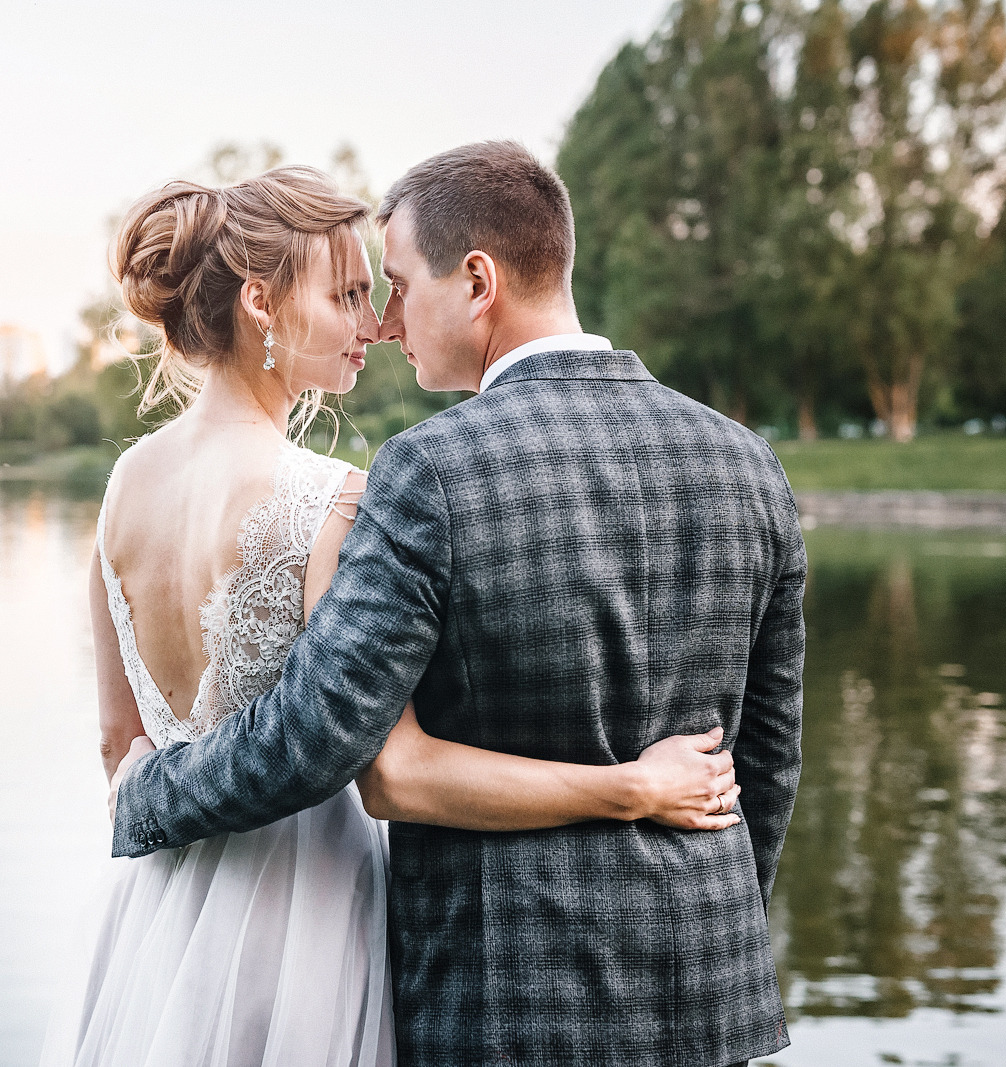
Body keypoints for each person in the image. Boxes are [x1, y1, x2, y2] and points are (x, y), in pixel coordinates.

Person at [109, 143, 806, 1067]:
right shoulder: (751, 463)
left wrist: (146, 796)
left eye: (394, 285)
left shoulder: (429, 471)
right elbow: (768, 754)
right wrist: (712, 923)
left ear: (477, 282)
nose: (387, 321)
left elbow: (329, 738)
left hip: (502, 999)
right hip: (708, 998)